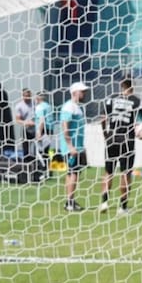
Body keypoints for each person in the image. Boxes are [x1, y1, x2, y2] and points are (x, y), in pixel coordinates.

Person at [99, 78, 142, 215]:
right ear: (132, 87)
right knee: (125, 173)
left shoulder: (111, 99)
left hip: (111, 139)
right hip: (127, 140)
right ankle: (122, 207)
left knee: (108, 171)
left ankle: (104, 203)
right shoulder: (136, 100)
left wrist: (106, 134)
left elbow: (103, 118)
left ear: (121, 86)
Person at [60, 81, 90, 212]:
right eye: (82, 91)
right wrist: (70, 147)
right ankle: (70, 203)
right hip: (71, 147)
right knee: (74, 173)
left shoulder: (77, 107)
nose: (84, 93)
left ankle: (69, 201)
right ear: (74, 92)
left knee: (72, 173)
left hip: (77, 146)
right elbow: (65, 128)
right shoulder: (69, 107)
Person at [13, 87, 35, 158]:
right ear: (23, 96)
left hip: (37, 129)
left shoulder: (34, 103)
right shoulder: (19, 106)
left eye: (29, 96)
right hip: (26, 129)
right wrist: (27, 122)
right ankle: (26, 163)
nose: (27, 98)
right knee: (26, 149)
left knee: (38, 148)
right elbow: (18, 119)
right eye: (26, 96)